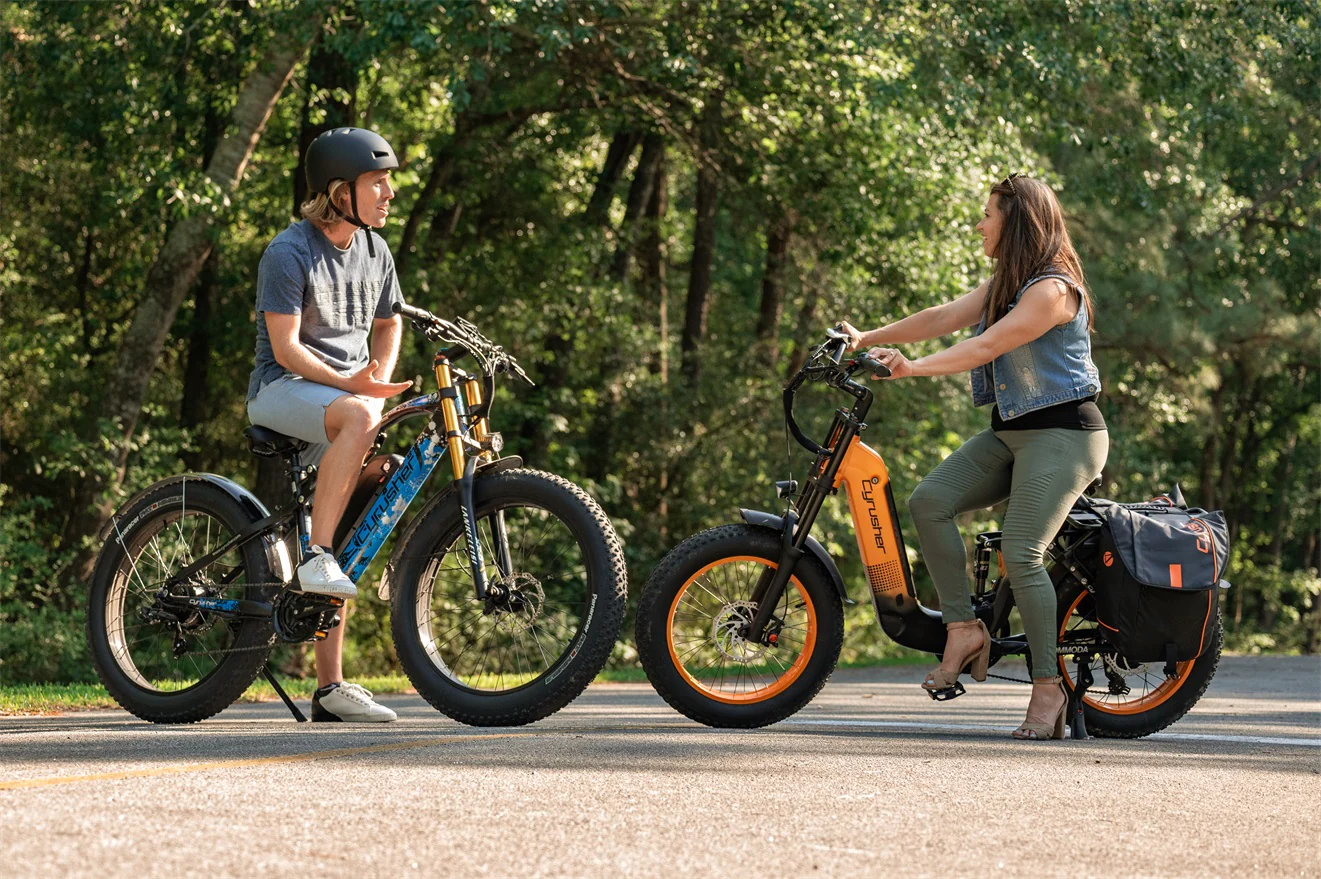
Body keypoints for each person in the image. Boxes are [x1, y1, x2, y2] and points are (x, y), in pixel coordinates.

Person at [839, 173, 1108, 741]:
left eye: (989, 214)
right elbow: (942, 318)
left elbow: (986, 346)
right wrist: (865, 337)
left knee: (1022, 550)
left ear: (1017, 222)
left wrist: (912, 368)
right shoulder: (1008, 283)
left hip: (1065, 436)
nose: (980, 224)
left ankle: (1047, 687)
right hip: (1013, 435)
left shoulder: (1051, 291)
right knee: (930, 500)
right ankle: (963, 628)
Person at [246, 127, 413, 723]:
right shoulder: (289, 251)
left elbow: (390, 324)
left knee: (369, 504)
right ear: (340, 191)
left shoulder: (376, 251)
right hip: (282, 390)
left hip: (345, 402)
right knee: (360, 420)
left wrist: (376, 374)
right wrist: (357, 388)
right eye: (377, 182)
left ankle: (330, 689)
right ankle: (314, 551)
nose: (389, 192)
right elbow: (286, 348)